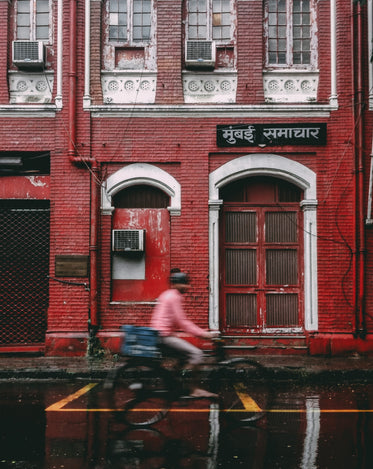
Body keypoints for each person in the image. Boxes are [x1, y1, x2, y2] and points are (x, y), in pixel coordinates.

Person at [150, 271, 218, 398]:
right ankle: (194, 389)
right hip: (164, 337)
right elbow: (182, 322)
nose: (187, 287)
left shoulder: (166, 294)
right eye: (184, 284)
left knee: (182, 356)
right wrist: (204, 334)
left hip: (158, 335)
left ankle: (176, 382)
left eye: (187, 284)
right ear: (175, 285)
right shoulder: (175, 297)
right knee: (196, 354)